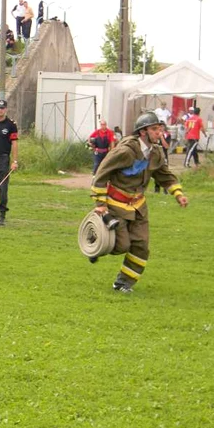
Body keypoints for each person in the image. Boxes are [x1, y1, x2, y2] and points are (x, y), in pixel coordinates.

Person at [90, 112, 188, 293]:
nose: (159, 133)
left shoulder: (156, 152)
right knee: (121, 246)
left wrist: (178, 194)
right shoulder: (126, 151)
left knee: (141, 245)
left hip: (139, 207)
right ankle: (95, 242)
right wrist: (100, 204)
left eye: (160, 129)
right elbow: (102, 172)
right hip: (116, 204)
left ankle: (123, 283)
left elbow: (164, 175)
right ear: (143, 132)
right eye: (154, 129)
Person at [154, 123, 171, 194]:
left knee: (164, 172)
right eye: (159, 127)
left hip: (164, 155)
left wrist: (161, 137)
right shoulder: (155, 134)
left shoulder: (167, 135)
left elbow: (166, 146)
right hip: (156, 155)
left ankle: (165, 188)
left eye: (161, 126)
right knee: (155, 171)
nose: (160, 128)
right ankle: (157, 189)